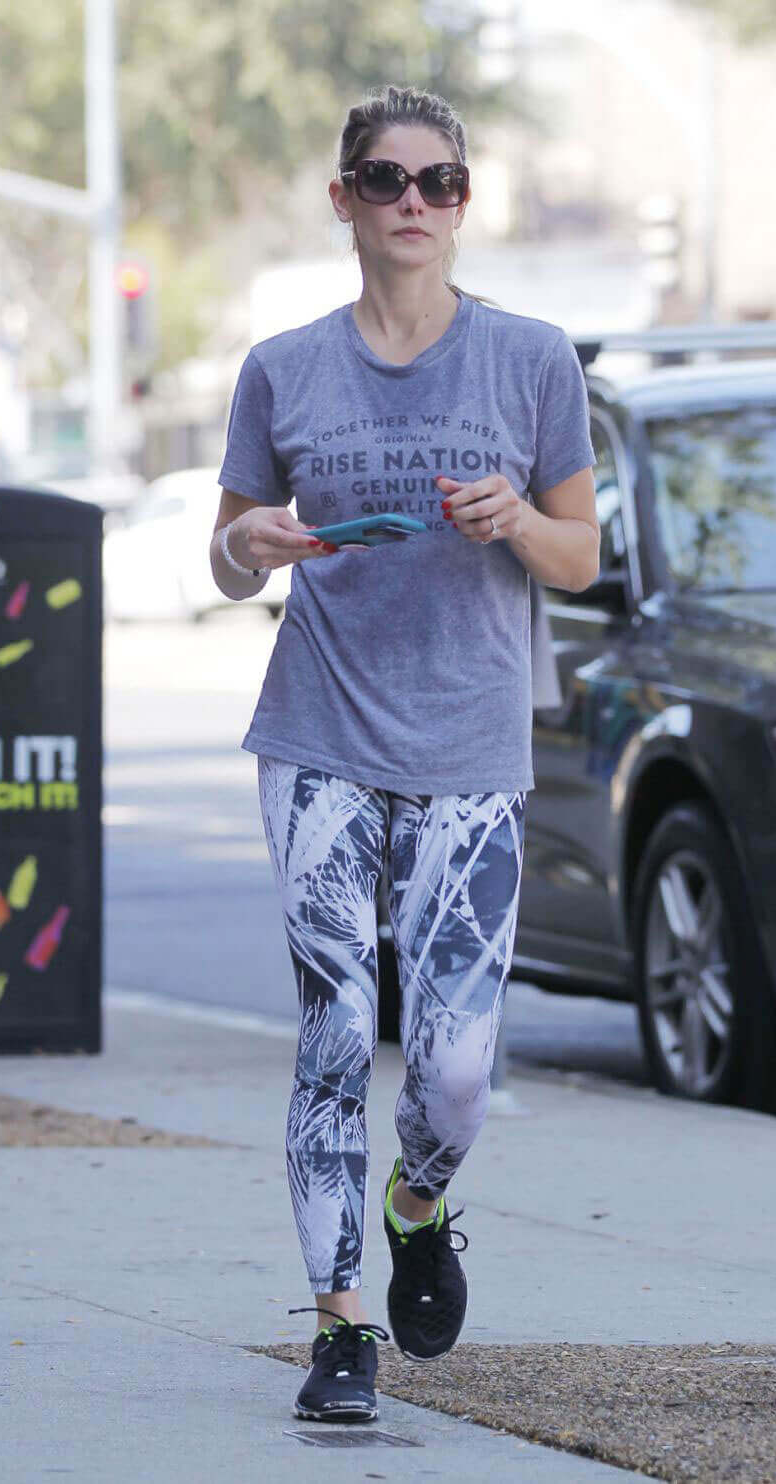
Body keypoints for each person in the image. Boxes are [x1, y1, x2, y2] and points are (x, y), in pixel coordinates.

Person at [211, 83, 599, 1423]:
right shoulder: (285, 368)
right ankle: (338, 1328)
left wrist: (516, 527)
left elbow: (582, 555)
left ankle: (418, 1202)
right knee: (334, 1034)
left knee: (453, 1067)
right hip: (317, 733)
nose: (414, 205)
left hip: (470, 753)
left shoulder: (533, 359)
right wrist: (244, 546)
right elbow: (228, 551)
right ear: (345, 201)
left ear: (465, 203)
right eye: (387, 180)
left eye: (440, 183)